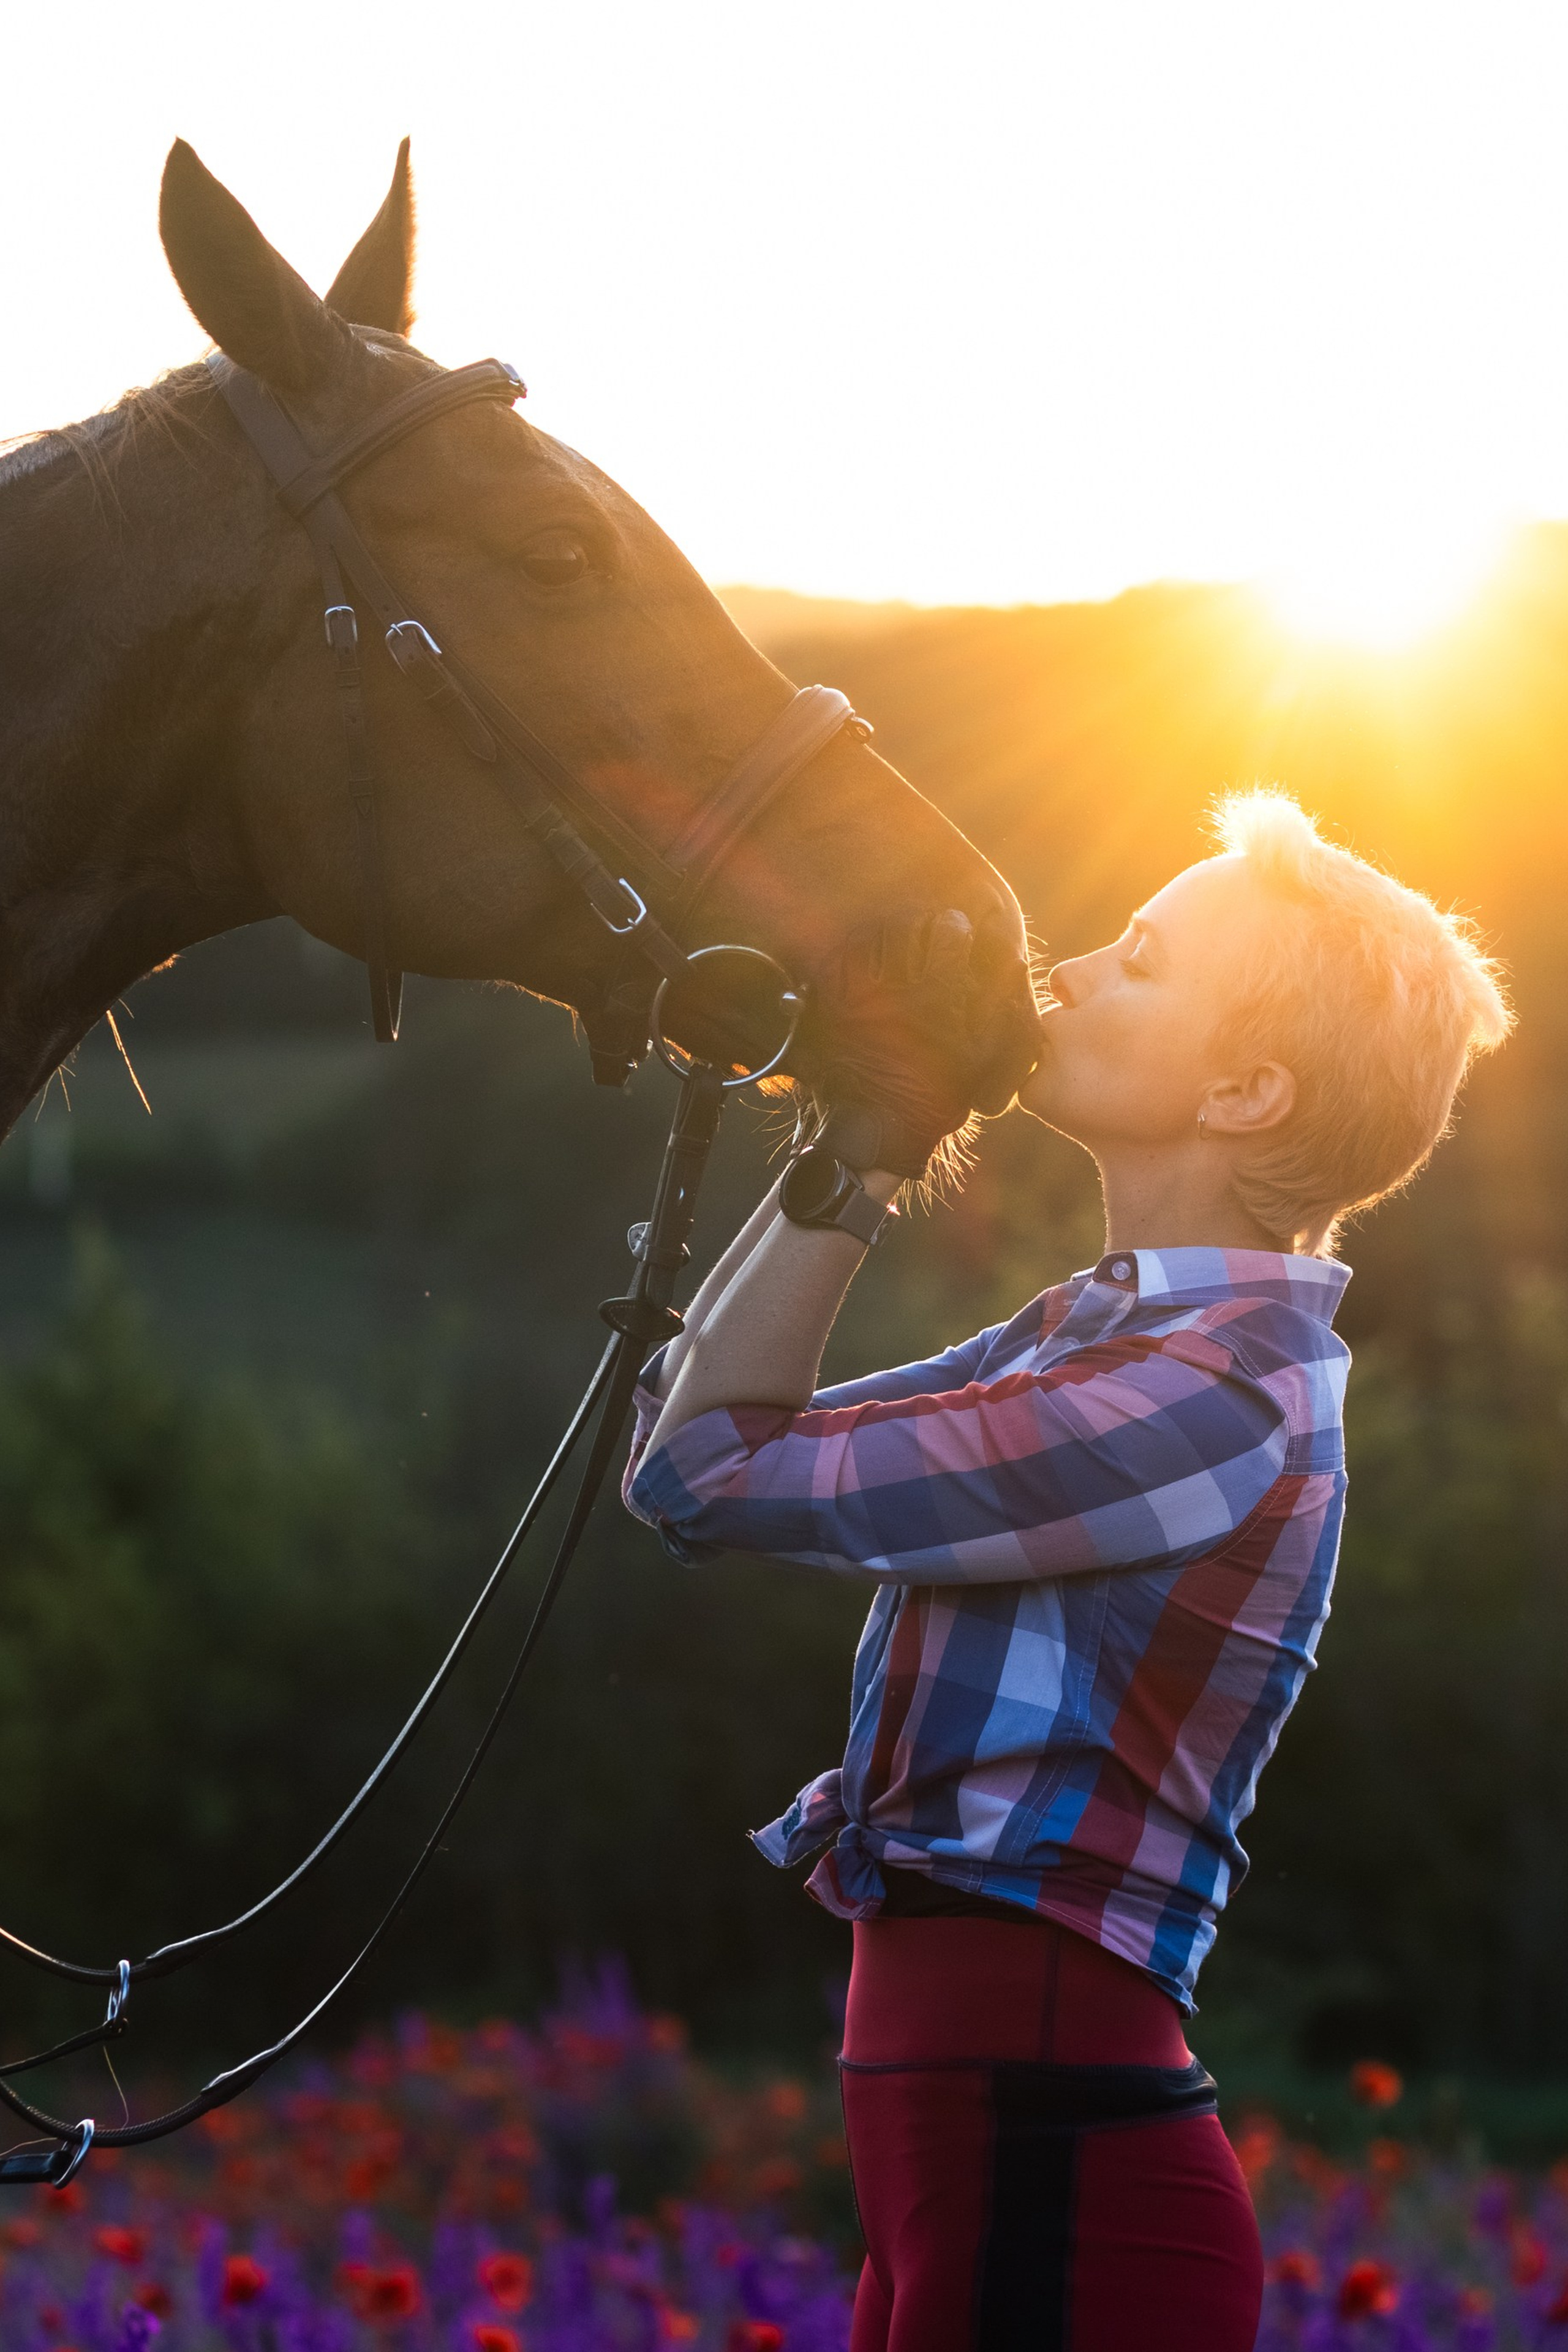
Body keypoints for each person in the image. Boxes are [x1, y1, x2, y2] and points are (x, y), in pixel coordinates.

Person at [622, 790, 1511, 2351]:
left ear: (1241, 1090)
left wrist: (885, 1142)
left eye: (1140, 961)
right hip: (967, 2165)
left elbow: (709, 1472)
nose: (1072, 968)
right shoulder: (1096, 1339)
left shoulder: (1205, 1401)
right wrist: (856, 1130)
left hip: (1061, 2184)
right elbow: (685, 1445)